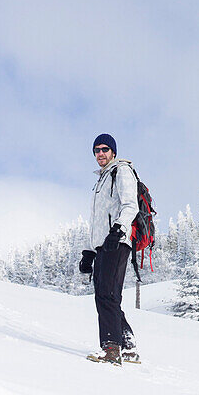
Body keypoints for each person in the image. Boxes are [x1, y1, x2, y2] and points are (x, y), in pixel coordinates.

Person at [79, 133, 141, 365]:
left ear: (113, 152)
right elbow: (96, 220)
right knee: (108, 296)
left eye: (105, 149)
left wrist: (117, 230)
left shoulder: (121, 171)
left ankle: (111, 349)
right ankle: (128, 347)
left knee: (106, 295)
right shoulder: (101, 181)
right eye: (96, 150)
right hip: (103, 244)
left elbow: (130, 205)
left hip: (116, 242)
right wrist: (89, 252)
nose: (100, 153)